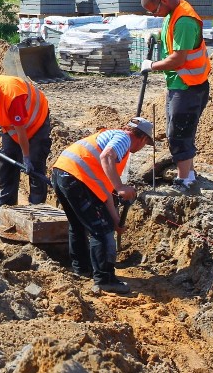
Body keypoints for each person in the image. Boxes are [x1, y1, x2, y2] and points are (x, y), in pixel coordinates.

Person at [51, 117, 154, 294]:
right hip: (76, 178)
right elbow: (107, 156)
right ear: (143, 139)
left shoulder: (110, 140)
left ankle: (82, 269)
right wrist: (120, 187)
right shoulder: (124, 139)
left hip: (62, 173)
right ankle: (105, 280)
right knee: (102, 230)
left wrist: (115, 221)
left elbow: (105, 192)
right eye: (145, 144)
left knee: (78, 225)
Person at [139, 0, 211, 191]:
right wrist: (154, 35)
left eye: (154, 11)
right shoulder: (172, 13)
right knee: (178, 131)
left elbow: (178, 60)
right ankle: (189, 173)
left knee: (180, 134)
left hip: (190, 86)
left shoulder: (185, 20)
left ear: (163, 0)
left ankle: (185, 182)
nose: (156, 15)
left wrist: (151, 65)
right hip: (179, 84)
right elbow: (171, 39)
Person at [0, 75, 52, 224]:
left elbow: (22, 133)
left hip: (37, 121)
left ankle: (36, 213)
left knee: (35, 165)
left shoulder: (13, 98)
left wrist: (26, 158)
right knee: (7, 162)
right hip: (12, 125)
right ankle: (5, 209)